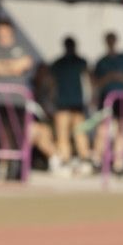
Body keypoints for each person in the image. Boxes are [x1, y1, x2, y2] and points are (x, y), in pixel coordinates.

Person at [0, 17, 36, 177]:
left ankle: (17, 169)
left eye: (6, 30)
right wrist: (10, 66)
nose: (3, 33)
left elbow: (22, 66)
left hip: (18, 100)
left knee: (18, 134)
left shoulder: (22, 48)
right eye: (0, 30)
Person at [92, 30, 123, 174]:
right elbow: (95, 82)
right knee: (103, 129)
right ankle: (97, 160)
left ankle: (118, 163)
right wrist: (108, 78)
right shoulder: (101, 61)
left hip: (122, 99)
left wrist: (119, 76)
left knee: (121, 130)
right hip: (106, 98)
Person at [49, 36, 93, 173]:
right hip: (69, 102)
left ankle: (75, 161)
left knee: (69, 134)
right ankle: (72, 161)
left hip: (69, 102)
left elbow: (51, 83)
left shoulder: (63, 63)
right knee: (72, 134)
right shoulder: (73, 62)